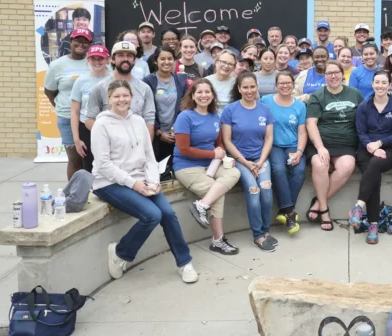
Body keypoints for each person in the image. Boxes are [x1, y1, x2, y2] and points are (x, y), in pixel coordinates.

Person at [91, 80, 198, 283]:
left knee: (168, 213)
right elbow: (103, 164)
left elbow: (149, 157)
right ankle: (120, 253)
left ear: (132, 97)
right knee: (152, 215)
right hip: (108, 182)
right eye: (117, 96)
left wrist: (153, 181)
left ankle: (184, 262)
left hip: (141, 179)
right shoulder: (101, 124)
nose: (122, 100)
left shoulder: (138, 121)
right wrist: (133, 184)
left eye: (125, 95)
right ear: (109, 99)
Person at [173, 78, 241, 255]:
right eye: (199, 92)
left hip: (211, 164)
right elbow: (184, 149)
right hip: (186, 166)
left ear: (212, 95)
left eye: (207, 92)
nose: (204, 95)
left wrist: (224, 156)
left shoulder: (214, 116)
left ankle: (201, 205)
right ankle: (218, 240)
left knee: (234, 172)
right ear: (193, 96)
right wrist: (213, 154)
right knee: (216, 192)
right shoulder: (185, 117)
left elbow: (219, 144)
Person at [306, 61, 364, 231]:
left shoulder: (355, 94)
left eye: (336, 72)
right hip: (321, 143)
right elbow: (311, 124)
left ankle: (317, 203)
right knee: (320, 164)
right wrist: (320, 147)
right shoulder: (318, 96)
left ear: (342, 74)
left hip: (345, 143)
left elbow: (363, 118)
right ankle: (324, 211)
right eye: (329, 73)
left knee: (347, 166)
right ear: (325, 77)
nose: (333, 76)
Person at [221, 72, 276, 252]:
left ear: (257, 86)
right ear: (239, 89)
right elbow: (227, 141)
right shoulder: (230, 110)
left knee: (266, 190)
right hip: (240, 160)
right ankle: (257, 235)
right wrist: (245, 162)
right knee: (254, 191)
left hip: (260, 159)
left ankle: (266, 231)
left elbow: (268, 139)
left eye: (252, 86)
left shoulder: (265, 110)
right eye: (245, 87)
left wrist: (259, 162)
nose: (249, 90)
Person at [349, 71, 392, 244]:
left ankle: (359, 206)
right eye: (377, 82)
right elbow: (361, 132)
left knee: (374, 165)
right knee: (373, 175)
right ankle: (373, 225)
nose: (380, 86)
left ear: (389, 86)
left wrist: (379, 144)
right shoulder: (364, 107)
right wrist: (371, 147)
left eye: (384, 83)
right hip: (365, 149)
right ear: (372, 84)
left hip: (388, 150)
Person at [261, 72, 307, 235]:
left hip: (294, 145)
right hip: (274, 145)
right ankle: (290, 212)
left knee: (300, 170)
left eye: (288, 82)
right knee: (278, 169)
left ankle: (284, 211)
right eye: (281, 83)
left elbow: (302, 133)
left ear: (293, 83)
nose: (285, 85)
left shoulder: (300, 106)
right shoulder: (266, 102)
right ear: (276, 84)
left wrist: (300, 152)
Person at [45, 28, 92, 178]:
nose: (81, 44)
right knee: (74, 158)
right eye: (77, 40)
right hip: (67, 117)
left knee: (90, 156)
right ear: (71, 41)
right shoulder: (57, 65)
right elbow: (49, 91)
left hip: (90, 117)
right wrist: (63, 108)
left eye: (85, 41)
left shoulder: (94, 62)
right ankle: (74, 194)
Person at [85, 41, 155, 139]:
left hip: (137, 145)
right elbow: (89, 120)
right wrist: (107, 137)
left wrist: (145, 148)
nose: (125, 59)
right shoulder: (99, 88)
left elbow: (149, 121)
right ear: (112, 59)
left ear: (134, 60)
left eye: (129, 56)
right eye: (120, 55)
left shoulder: (145, 88)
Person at [143, 46, 188, 163]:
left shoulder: (181, 80)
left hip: (178, 135)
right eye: (162, 59)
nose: (167, 62)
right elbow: (146, 109)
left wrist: (178, 128)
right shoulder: (148, 81)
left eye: (170, 58)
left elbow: (186, 106)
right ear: (155, 61)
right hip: (156, 137)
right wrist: (159, 132)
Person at [71, 44, 110, 172]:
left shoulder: (114, 79)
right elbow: (75, 112)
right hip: (86, 129)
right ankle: (90, 192)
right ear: (88, 60)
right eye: (93, 58)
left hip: (110, 127)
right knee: (89, 167)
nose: (97, 62)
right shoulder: (81, 81)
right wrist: (77, 139)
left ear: (107, 59)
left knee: (110, 165)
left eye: (101, 58)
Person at [204, 50, 237, 116]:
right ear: (216, 62)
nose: (226, 66)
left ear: (234, 67)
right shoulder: (206, 81)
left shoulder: (236, 83)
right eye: (223, 62)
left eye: (230, 64)